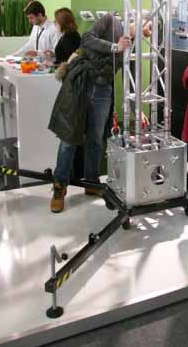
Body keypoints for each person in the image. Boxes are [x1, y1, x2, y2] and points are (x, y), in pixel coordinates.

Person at [49, 12, 151, 213]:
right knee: (69, 138)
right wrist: (115, 47)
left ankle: (92, 182)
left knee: (95, 140)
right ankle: (59, 187)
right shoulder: (110, 20)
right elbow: (87, 39)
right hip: (81, 84)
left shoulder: (134, 44)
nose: (149, 32)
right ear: (139, 20)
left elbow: (130, 77)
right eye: (149, 27)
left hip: (104, 91)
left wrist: (136, 110)